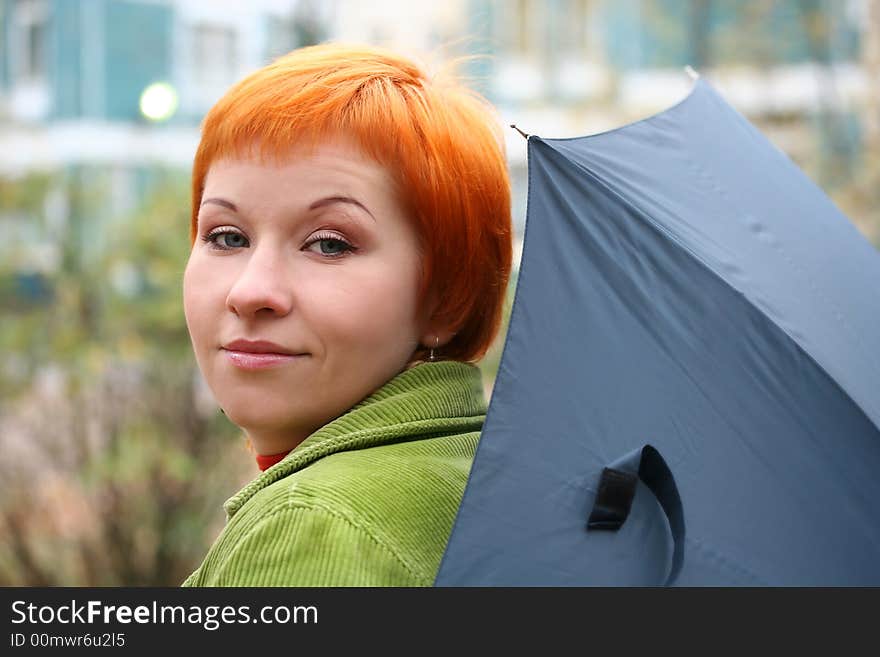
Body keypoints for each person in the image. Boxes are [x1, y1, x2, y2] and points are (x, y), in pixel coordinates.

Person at [180, 42, 512, 586]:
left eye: (329, 244)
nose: (251, 291)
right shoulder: (471, 473)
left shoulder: (314, 526)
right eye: (227, 236)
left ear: (446, 298)